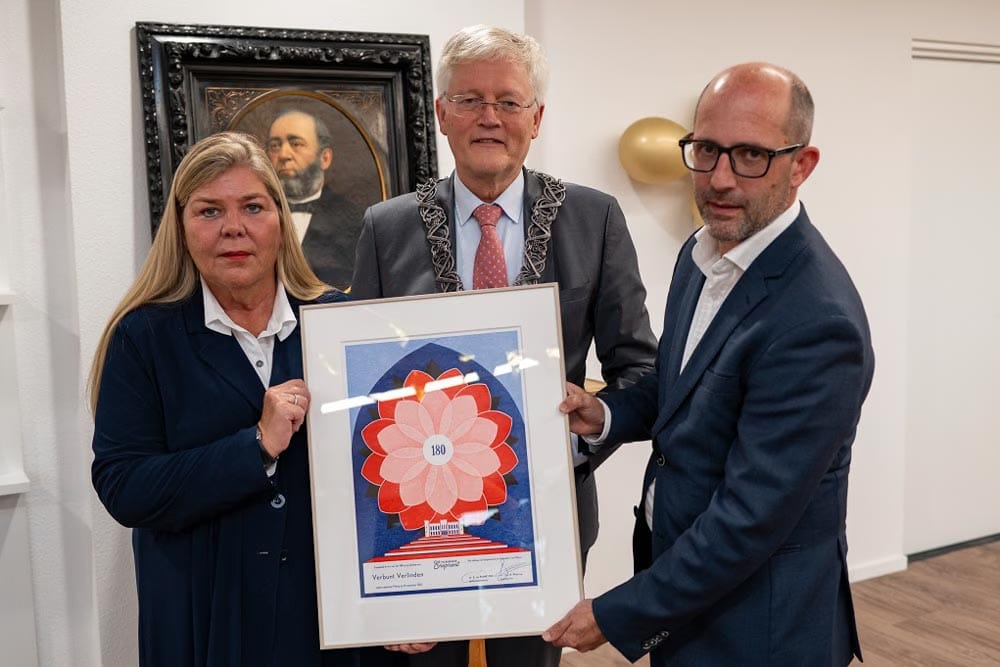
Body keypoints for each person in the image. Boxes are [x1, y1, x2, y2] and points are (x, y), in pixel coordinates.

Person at [543, 63, 875, 666]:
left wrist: (618, 613)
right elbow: (682, 385)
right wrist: (604, 414)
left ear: (801, 164)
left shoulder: (817, 322)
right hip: (687, 593)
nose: (719, 178)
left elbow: (751, 517)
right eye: (706, 150)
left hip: (760, 626)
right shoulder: (701, 256)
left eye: (751, 155)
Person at [351, 24, 657, 667]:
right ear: (442, 114)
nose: (489, 117)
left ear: (536, 118)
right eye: (469, 100)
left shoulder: (595, 219)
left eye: (509, 101)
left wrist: (594, 422)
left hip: (549, 512)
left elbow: (640, 369)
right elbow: (362, 388)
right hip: (413, 519)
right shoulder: (386, 228)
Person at [89, 132, 400, 667]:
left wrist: (411, 597)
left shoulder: (341, 324)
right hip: (205, 619)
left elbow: (391, 470)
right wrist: (254, 446)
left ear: (280, 219)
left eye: (252, 207)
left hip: (329, 620)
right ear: (182, 228)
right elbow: (125, 488)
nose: (233, 227)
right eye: (209, 211)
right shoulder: (143, 337)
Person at [267, 109, 365, 290]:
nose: (283, 155)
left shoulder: (356, 222)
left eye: (296, 144)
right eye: (275, 146)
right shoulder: (253, 217)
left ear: (325, 158)